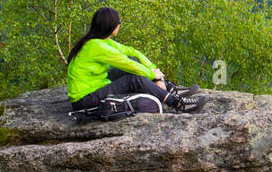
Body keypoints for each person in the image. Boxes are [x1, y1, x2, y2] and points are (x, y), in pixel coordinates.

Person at [66, 7, 206, 113]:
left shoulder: (100, 40)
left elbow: (133, 53)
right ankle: (177, 103)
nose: (120, 24)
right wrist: (152, 75)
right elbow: (127, 64)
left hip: (97, 84)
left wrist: (155, 73)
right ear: (112, 26)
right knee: (134, 79)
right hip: (85, 99)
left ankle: (169, 89)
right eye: (119, 21)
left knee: (134, 61)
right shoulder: (96, 46)